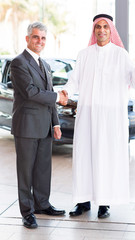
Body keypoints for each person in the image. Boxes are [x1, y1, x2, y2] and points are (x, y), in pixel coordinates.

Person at [62, 14, 135, 218]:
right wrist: (65, 92)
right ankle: (82, 202)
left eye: (105, 27)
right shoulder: (84, 54)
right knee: (84, 157)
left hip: (111, 119)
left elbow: (134, 83)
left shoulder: (121, 55)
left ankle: (104, 204)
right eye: (98, 27)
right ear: (94, 30)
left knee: (106, 159)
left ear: (111, 30)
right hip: (87, 117)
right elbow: (74, 80)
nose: (101, 30)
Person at [10, 22, 68, 229]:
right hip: (26, 126)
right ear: (27, 39)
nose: (40, 42)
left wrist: (56, 123)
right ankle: (27, 212)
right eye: (36, 37)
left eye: (43, 38)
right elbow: (31, 93)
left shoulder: (45, 64)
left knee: (43, 170)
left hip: (44, 126)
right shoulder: (18, 63)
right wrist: (58, 97)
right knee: (25, 172)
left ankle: (42, 204)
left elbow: (49, 94)